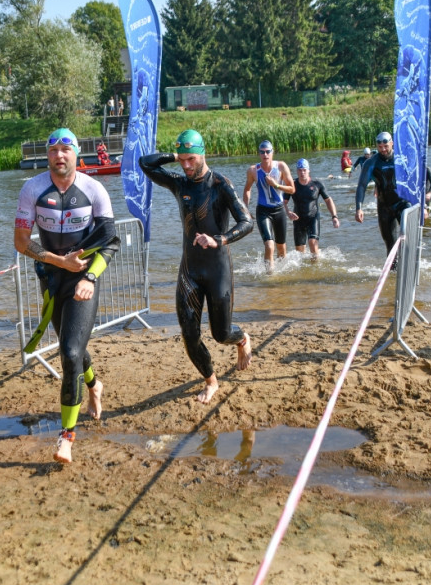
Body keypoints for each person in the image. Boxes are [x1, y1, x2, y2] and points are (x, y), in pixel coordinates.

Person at [14, 128, 118, 464]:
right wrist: (59, 262)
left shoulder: (94, 189)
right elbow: (21, 241)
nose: (59, 155)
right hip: (52, 276)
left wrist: (89, 276)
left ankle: (67, 437)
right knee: (71, 349)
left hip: (84, 278)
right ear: (48, 156)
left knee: (71, 353)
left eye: (66, 149)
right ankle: (94, 386)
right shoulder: (32, 189)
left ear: (76, 154)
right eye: (53, 150)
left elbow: (111, 240)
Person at [140, 129, 254, 404]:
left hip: (217, 270)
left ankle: (242, 340)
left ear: (203, 153)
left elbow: (247, 222)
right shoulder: (180, 184)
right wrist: (173, 154)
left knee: (220, 333)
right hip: (190, 270)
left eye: (191, 159)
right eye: (183, 160)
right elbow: (145, 163)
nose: (186, 166)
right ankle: (210, 381)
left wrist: (220, 239)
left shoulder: (220, 184)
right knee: (189, 334)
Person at [355, 131, 410, 261]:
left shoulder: (402, 158)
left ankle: (409, 264)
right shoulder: (371, 163)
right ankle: (393, 274)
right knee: (390, 245)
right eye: (380, 147)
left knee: (408, 237)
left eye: (386, 146)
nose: (383, 150)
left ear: (392, 143)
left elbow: (417, 179)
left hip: (403, 203)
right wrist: (359, 208)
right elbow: (362, 186)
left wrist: (422, 204)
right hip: (384, 206)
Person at [242, 140, 294, 272]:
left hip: (279, 210)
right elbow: (247, 189)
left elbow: (292, 189)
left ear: (272, 152)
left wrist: (276, 184)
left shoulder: (281, 167)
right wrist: (246, 209)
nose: (265, 154)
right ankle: (269, 276)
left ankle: (281, 276)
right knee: (270, 246)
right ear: (259, 154)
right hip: (263, 211)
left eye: (268, 151)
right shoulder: (253, 170)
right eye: (262, 152)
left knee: (281, 248)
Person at [284, 158, 340, 257]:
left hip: (313, 218)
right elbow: (283, 203)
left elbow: (328, 200)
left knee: (312, 243)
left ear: (308, 170)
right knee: (299, 254)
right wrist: (288, 212)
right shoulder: (292, 185)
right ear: (297, 171)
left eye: (304, 170)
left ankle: (316, 268)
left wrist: (334, 216)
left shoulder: (317, 184)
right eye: (300, 170)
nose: (302, 173)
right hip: (298, 220)